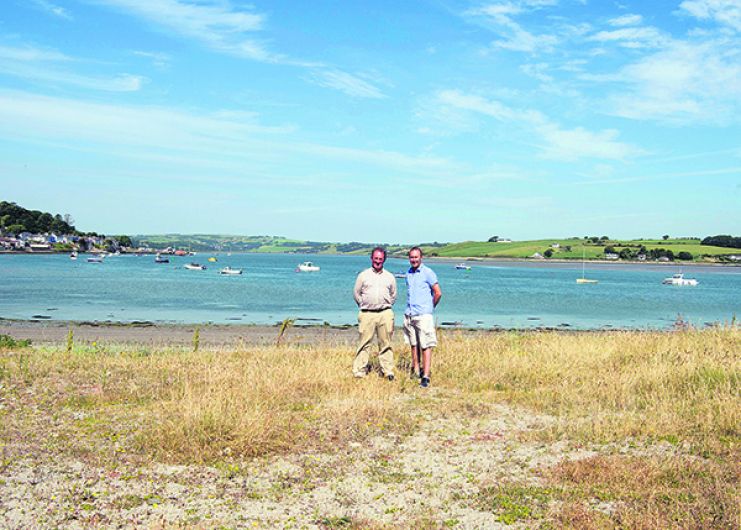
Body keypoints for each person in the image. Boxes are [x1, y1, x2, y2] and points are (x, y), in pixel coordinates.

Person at [353, 247, 397, 380]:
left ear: (384, 260)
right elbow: (356, 293)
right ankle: (360, 370)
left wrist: (384, 305)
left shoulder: (389, 277)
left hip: (385, 313)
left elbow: (393, 295)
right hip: (367, 314)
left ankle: (388, 371)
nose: (378, 261)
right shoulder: (363, 275)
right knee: (364, 343)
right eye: (376, 258)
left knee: (385, 343)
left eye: (380, 259)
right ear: (371, 258)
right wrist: (364, 304)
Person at [404, 246, 441, 388]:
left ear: (421, 258)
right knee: (413, 344)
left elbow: (437, 292)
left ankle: (425, 375)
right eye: (411, 257)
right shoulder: (408, 273)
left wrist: (430, 308)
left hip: (423, 315)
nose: (414, 260)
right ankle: (416, 370)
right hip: (410, 313)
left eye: (416, 257)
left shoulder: (428, 273)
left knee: (426, 345)